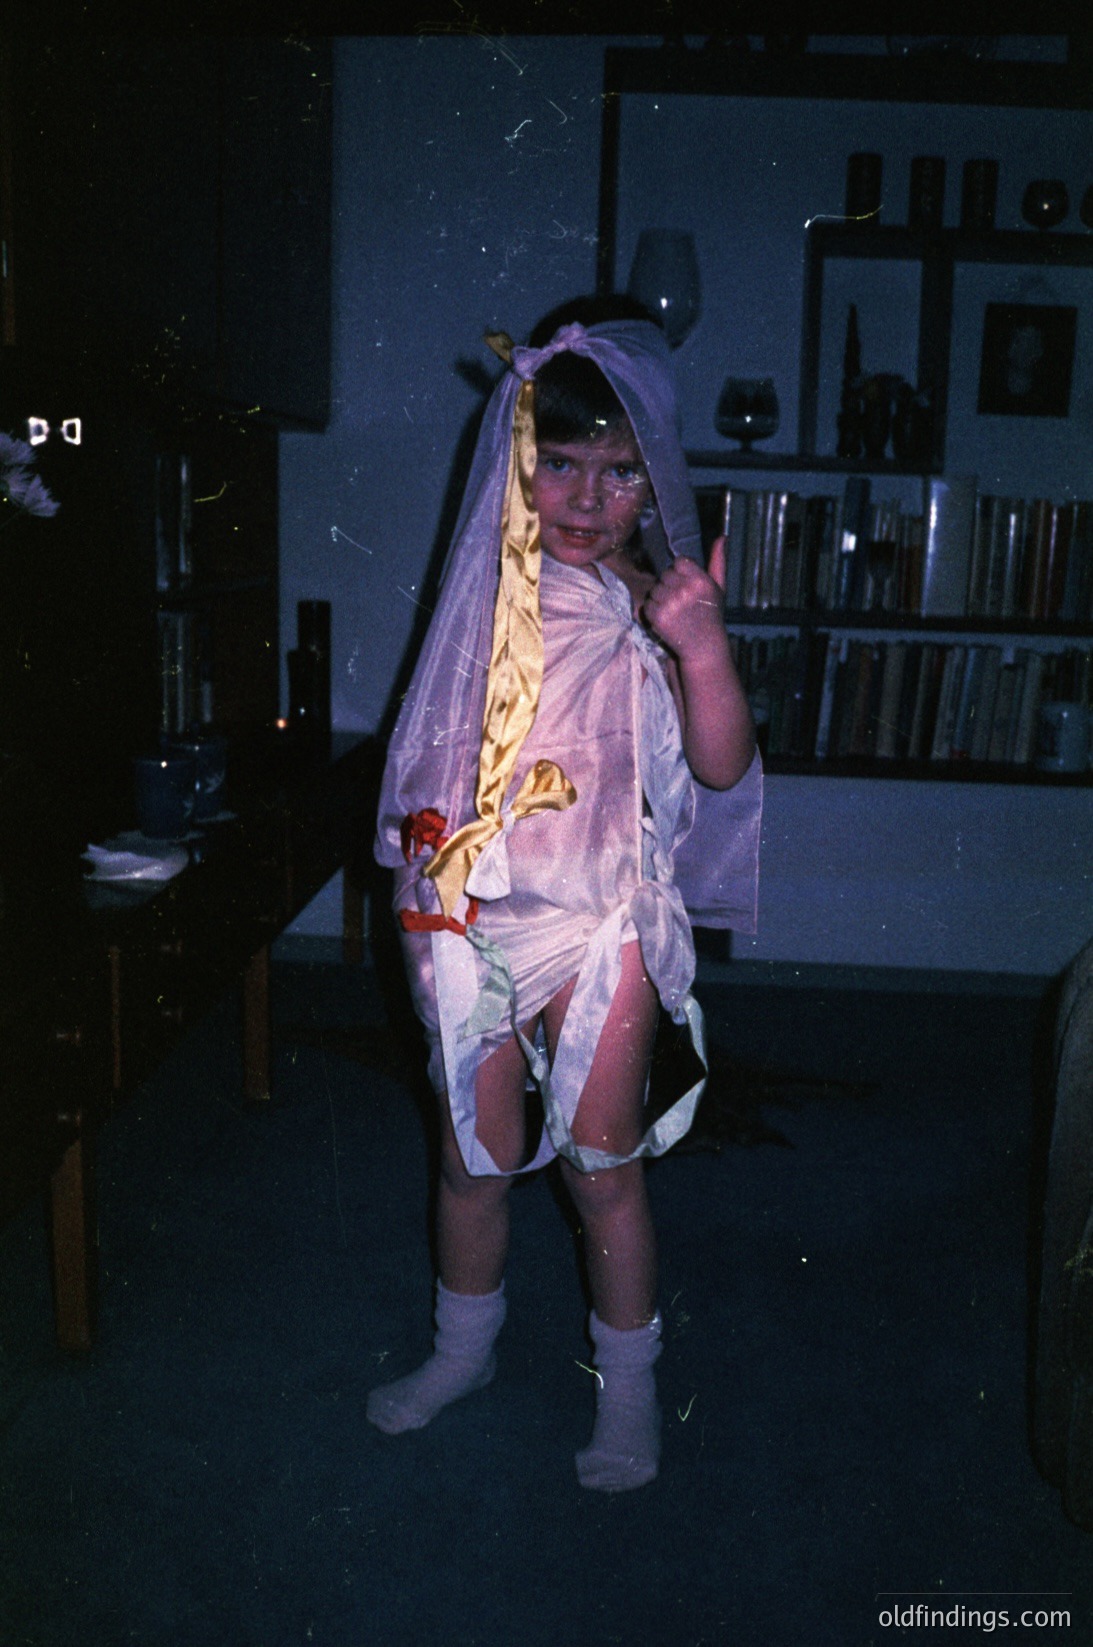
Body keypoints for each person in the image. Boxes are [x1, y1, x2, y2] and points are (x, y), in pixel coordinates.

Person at [368, 300, 762, 1491]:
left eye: (620, 476)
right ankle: (460, 1351)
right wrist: (427, 895)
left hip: (603, 924)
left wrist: (701, 647)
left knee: (601, 1165)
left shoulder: (658, 607)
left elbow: (722, 764)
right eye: (562, 470)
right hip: (475, 912)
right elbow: (432, 760)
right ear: (518, 468)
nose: (587, 502)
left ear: (657, 485)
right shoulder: (482, 596)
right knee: (470, 1159)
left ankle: (629, 1388)